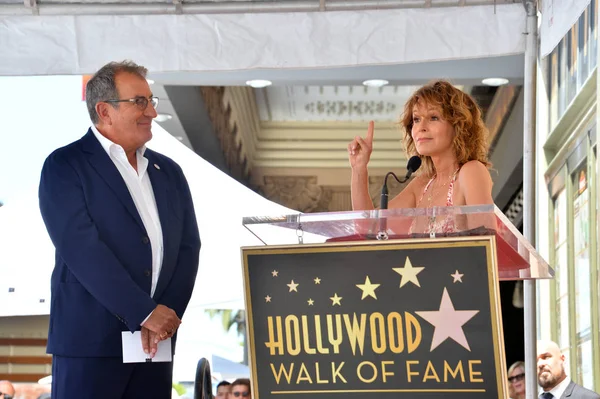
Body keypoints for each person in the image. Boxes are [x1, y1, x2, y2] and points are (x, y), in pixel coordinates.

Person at [38, 60, 201, 398]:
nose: (151, 113)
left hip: (155, 345)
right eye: (139, 101)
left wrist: (164, 318)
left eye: (151, 101)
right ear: (104, 110)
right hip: (90, 344)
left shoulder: (168, 172)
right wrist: (144, 312)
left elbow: (188, 248)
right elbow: (81, 249)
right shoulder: (65, 166)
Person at [348, 80, 493, 233]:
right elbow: (368, 228)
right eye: (416, 119)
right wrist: (359, 169)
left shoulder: (471, 171)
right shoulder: (421, 185)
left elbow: (488, 243)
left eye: (433, 117)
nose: (420, 127)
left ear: (459, 126)